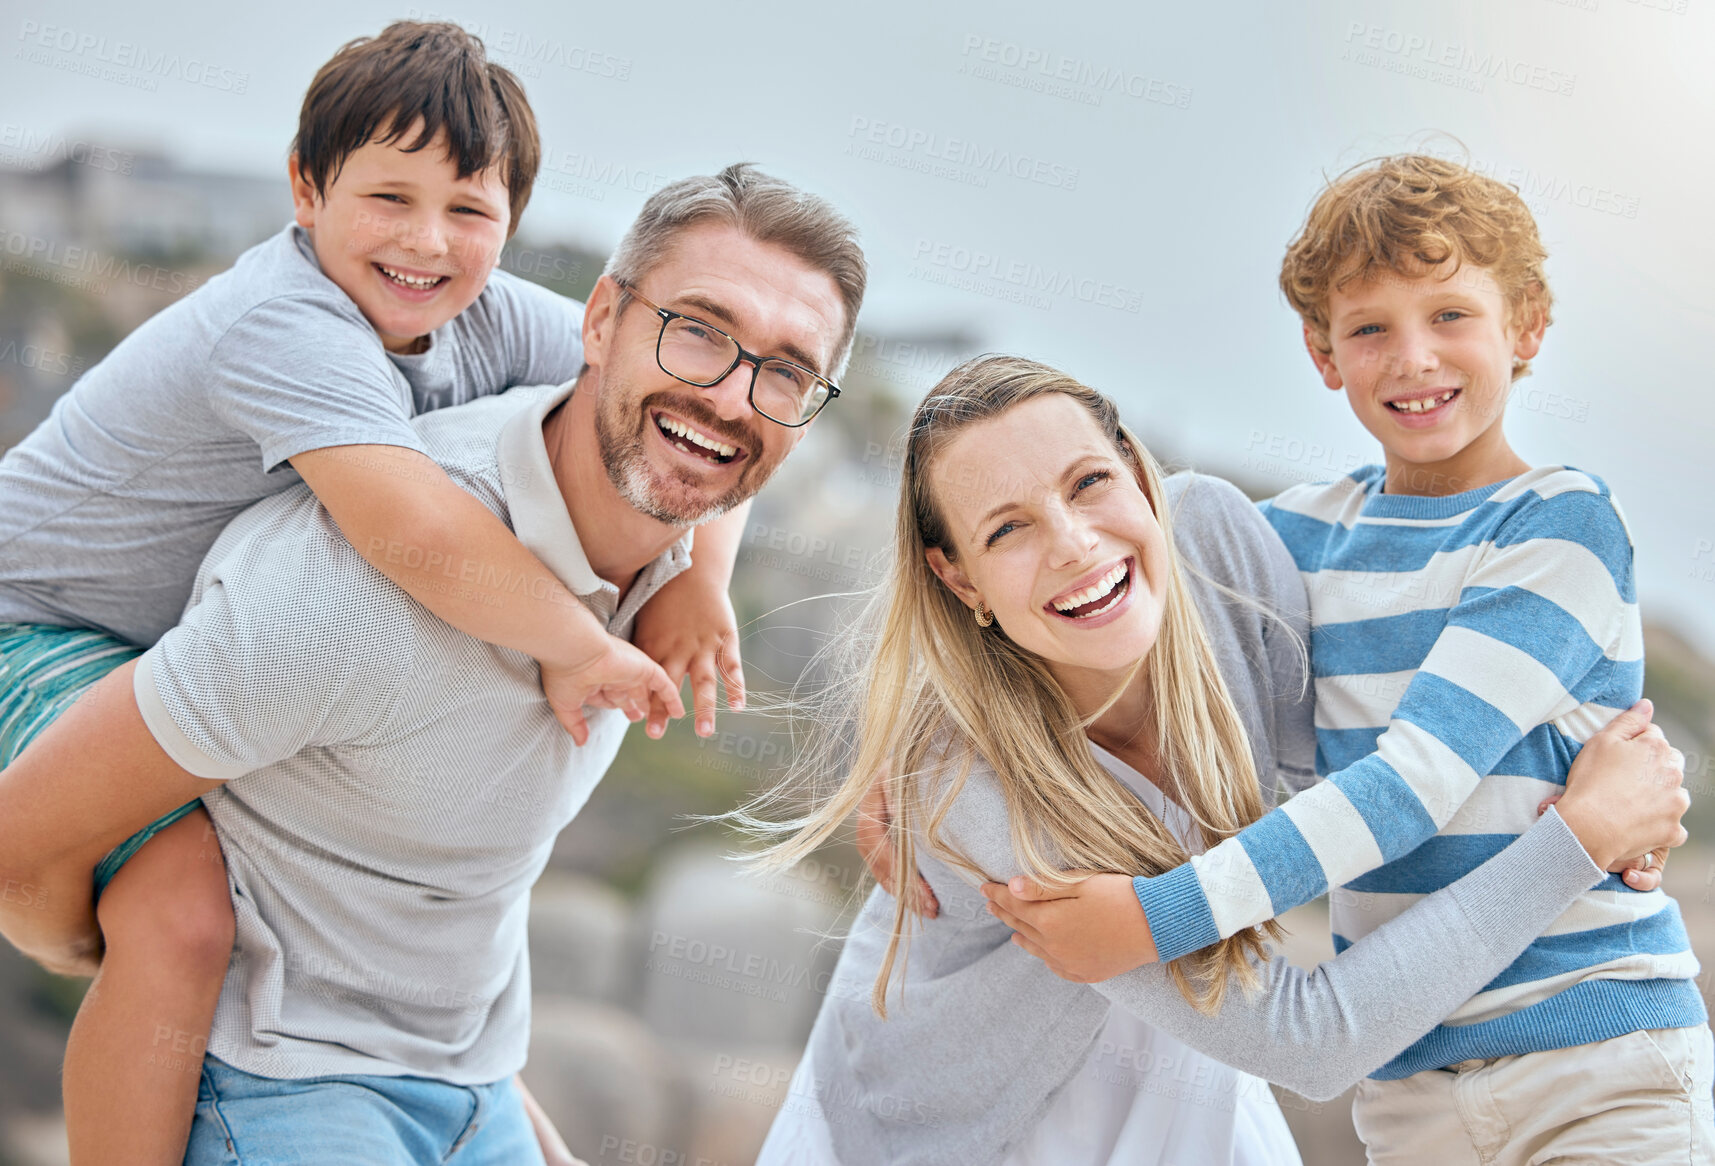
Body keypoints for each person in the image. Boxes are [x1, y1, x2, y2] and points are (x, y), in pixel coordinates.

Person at [0, 162, 864, 1163]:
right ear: (601, 322)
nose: (730, 392)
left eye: (786, 370)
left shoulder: (665, 570)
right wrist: (88, 938)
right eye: (700, 330)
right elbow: (21, 833)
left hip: (471, 1085)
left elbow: (451, 901)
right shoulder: (356, 588)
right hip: (279, 1085)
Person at [741, 355, 1688, 1164]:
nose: (1074, 546)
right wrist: (1576, 839)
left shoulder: (1222, 550)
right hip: (966, 1125)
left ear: (1141, 479)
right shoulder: (972, 794)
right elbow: (1311, 1039)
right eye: (1006, 529)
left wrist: (1599, 770)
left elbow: (1407, 718)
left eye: (1088, 484)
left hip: (1191, 1048)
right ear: (959, 580)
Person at [984, 155, 1715, 1163]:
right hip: (1407, 1090)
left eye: (1450, 315)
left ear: (1526, 327)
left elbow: (1413, 782)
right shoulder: (1296, 540)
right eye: (1370, 327)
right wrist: (915, 756)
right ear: (1322, 352)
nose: (1412, 357)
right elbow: (1086, 610)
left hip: (1594, 1060)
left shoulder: (1559, 523)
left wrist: (1156, 918)